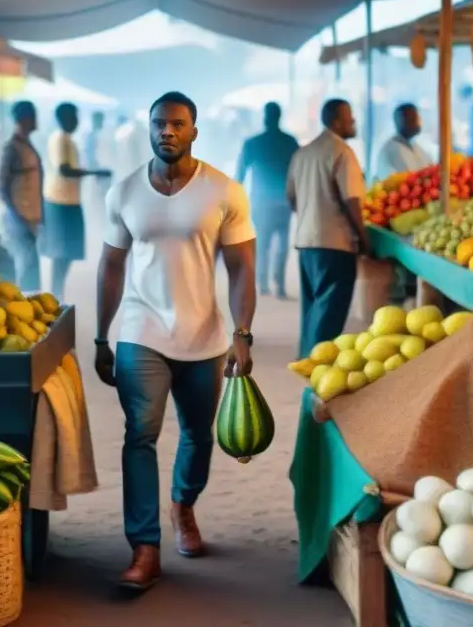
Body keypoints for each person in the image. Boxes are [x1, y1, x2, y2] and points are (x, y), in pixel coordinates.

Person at [95, 91, 256, 591]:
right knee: (140, 435)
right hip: (141, 332)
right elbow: (112, 266)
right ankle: (144, 548)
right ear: (149, 129)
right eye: (160, 124)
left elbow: (242, 269)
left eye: (177, 124)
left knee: (199, 435)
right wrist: (103, 337)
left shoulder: (224, 191)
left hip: (204, 335)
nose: (167, 131)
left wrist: (242, 334)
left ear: (194, 131)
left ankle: (182, 505)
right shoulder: (123, 192)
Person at [287, 98, 370, 359]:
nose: (353, 121)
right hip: (335, 244)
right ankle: (318, 364)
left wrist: (312, 214)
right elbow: (352, 200)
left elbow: (290, 197)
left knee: (313, 307)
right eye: (349, 117)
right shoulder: (342, 152)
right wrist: (364, 239)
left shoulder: (303, 152)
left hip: (306, 242)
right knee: (330, 311)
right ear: (336, 121)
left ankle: (306, 360)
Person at [41, 102, 110, 300]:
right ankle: (55, 295)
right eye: (75, 117)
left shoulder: (67, 140)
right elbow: (64, 169)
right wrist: (94, 172)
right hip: (60, 201)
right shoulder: (59, 139)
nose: (77, 121)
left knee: (67, 252)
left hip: (69, 200)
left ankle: (57, 293)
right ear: (65, 118)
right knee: (61, 253)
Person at [235, 102, 298, 299]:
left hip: (261, 203)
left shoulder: (253, 143)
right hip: (284, 202)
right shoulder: (290, 142)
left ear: (265, 117)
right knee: (282, 245)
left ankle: (262, 283)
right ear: (279, 117)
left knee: (262, 244)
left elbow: (240, 175)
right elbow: (298, 173)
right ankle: (278, 285)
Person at [0, 101, 44, 293]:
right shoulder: (11, 147)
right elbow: (1, 186)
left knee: (31, 267)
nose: (36, 120)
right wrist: (17, 216)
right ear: (25, 119)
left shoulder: (26, 145)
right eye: (33, 116)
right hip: (17, 219)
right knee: (27, 267)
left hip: (27, 217)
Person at [376, 103, 433, 178]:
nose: (418, 122)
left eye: (417, 117)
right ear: (399, 121)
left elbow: (430, 169)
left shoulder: (417, 147)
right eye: (412, 118)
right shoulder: (388, 150)